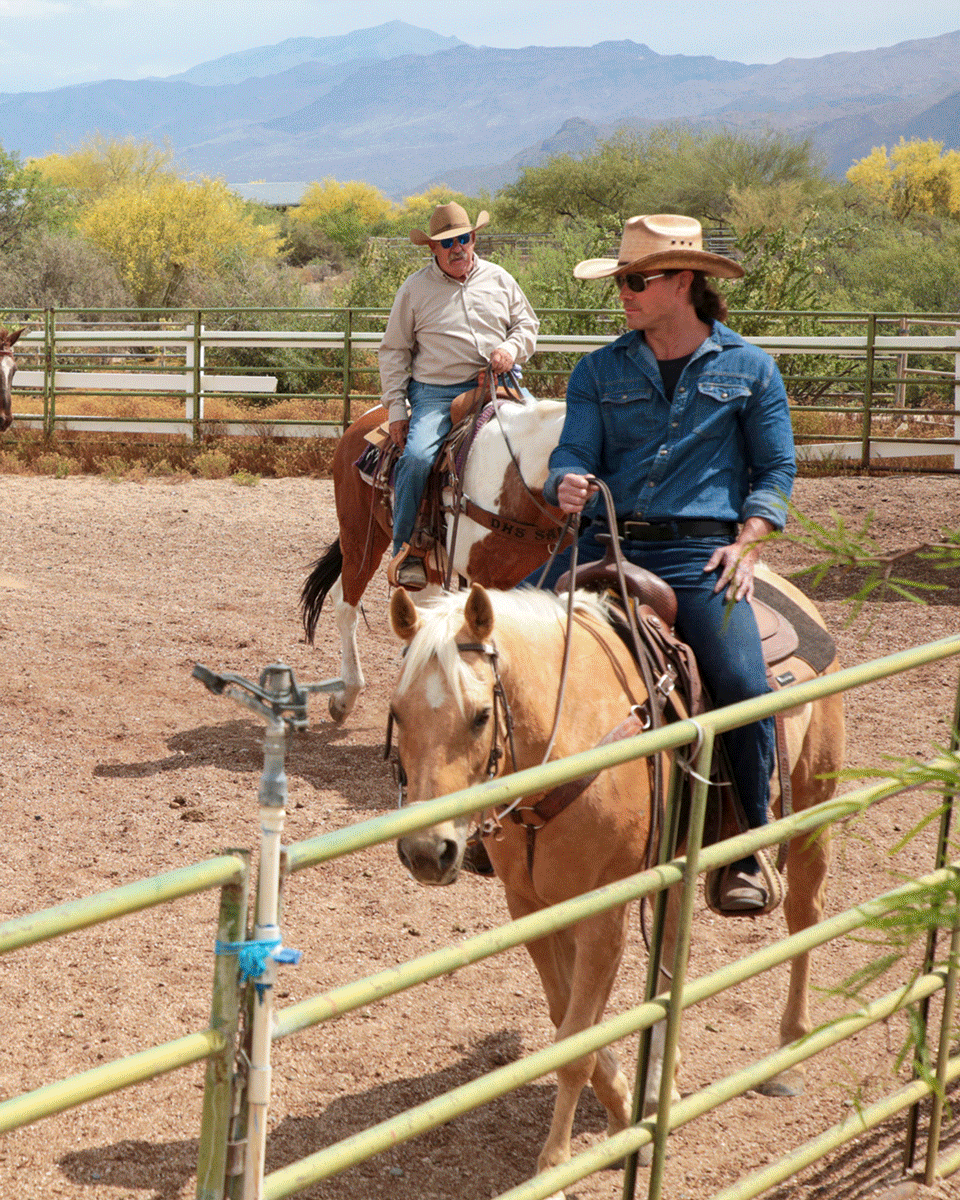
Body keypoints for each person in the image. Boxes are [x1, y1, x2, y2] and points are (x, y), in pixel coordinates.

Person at [534, 214, 796, 912]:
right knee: (494, 637)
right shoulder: (598, 369)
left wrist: (748, 542)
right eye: (621, 279)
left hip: (696, 551)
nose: (623, 292)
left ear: (683, 282)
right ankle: (490, 813)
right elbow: (574, 452)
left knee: (742, 681)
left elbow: (775, 471)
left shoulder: (750, 369)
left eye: (636, 280)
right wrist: (565, 479)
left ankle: (747, 849)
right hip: (603, 540)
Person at [379, 202, 540, 588]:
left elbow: (526, 323)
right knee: (417, 459)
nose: (457, 248)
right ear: (433, 249)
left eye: (463, 239)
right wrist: (397, 408)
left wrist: (512, 348)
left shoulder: (500, 279)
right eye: (447, 242)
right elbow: (394, 350)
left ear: (474, 239)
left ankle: (553, 541)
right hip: (437, 392)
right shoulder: (415, 289)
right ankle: (408, 549)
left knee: (546, 445)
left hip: (498, 384)